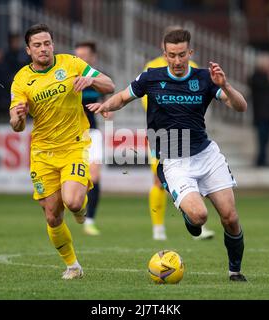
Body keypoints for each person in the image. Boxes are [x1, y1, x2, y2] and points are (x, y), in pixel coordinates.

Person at [88, 29, 248, 281]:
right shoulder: (151, 77)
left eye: (182, 55)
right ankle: (189, 217)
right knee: (199, 216)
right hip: (173, 160)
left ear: (190, 53)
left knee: (230, 217)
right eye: (172, 55)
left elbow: (240, 106)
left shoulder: (205, 78)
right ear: (164, 54)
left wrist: (225, 84)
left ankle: (235, 271)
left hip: (206, 155)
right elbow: (122, 97)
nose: (177, 61)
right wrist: (104, 106)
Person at [9, 24, 115, 280]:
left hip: (74, 145)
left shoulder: (71, 63)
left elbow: (109, 85)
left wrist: (91, 79)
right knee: (52, 216)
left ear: (53, 45)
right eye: (37, 45)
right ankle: (73, 266)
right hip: (43, 153)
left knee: (74, 201)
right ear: (28, 50)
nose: (43, 48)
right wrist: (19, 117)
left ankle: (80, 210)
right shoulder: (22, 79)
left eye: (47, 43)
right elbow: (16, 123)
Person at [142, 25, 215, 241]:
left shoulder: (192, 67)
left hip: (190, 136)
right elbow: (147, 101)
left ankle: (195, 225)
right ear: (164, 47)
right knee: (158, 180)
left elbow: (201, 96)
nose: (177, 58)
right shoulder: (152, 68)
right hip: (163, 135)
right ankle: (158, 228)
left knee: (194, 179)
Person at [74, 41, 106, 236]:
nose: (80, 59)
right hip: (70, 134)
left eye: (84, 55)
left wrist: (106, 109)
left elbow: (105, 99)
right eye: (77, 55)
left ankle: (90, 220)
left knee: (94, 176)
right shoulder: (68, 76)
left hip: (92, 133)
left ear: (92, 57)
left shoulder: (98, 78)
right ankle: (75, 208)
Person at [248, 52, 269, 167]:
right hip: (261, 114)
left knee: (266, 139)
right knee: (262, 138)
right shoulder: (256, 77)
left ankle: (263, 159)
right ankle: (261, 161)